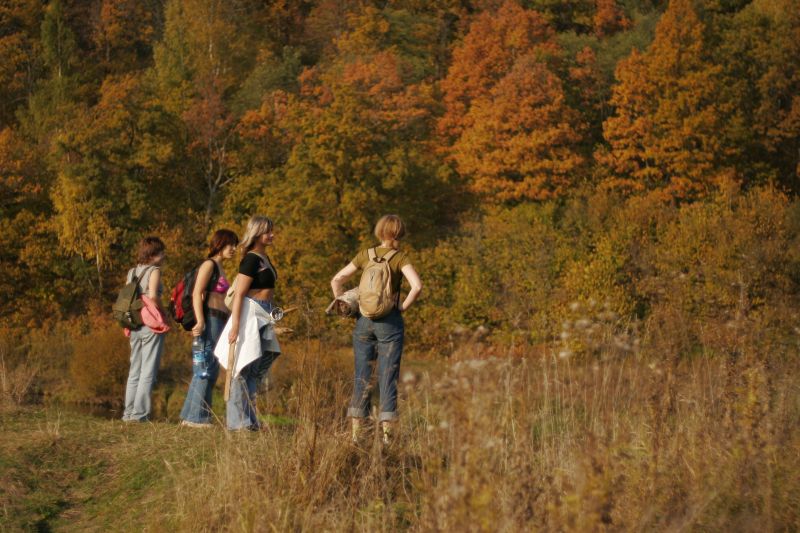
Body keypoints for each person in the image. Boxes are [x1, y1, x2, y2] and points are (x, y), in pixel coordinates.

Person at [330, 214, 422, 444]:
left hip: (363, 321)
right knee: (388, 377)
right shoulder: (400, 258)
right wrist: (402, 306)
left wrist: (345, 304)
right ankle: (387, 439)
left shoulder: (365, 255)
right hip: (389, 321)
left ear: (380, 232)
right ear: (399, 233)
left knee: (361, 376)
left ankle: (356, 436)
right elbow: (417, 286)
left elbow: (336, 279)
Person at [215, 215, 281, 431]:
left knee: (254, 370)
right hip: (249, 314)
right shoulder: (251, 259)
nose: (271, 235)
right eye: (267, 231)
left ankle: (250, 420)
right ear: (256, 234)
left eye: (271, 231)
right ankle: (238, 422)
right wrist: (235, 326)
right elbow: (240, 293)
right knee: (241, 368)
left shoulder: (264, 258)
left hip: (264, 313)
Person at [179, 229, 239, 428]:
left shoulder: (221, 268)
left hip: (219, 321)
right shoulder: (209, 265)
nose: (234, 249)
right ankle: (196, 418)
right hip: (210, 320)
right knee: (205, 368)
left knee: (209, 367)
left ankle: (191, 416)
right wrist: (200, 320)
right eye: (231, 244)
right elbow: (197, 293)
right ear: (220, 244)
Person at [122, 236, 167, 422]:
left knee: (135, 370)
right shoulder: (154, 271)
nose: (164, 256)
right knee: (148, 370)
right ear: (154, 254)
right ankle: (140, 415)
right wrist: (165, 314)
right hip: (150, 324)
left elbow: (127, 297)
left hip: (134, 323)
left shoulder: (132, 272)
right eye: (162, 252)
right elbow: (154, 297)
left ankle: (128, 413)